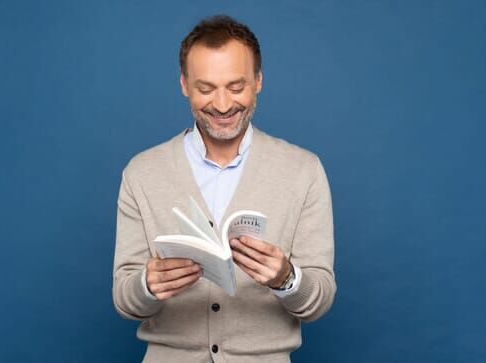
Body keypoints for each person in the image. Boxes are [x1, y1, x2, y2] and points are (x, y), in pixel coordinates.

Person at [112, 14, 336, 363]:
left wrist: (286, 278)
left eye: (236, 87)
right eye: (205, 88)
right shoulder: (142, 173)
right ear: (184, 84)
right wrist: (147, 285)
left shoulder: (304, 171)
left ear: (258, 81)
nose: (221, 105)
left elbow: (319, 299)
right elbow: (125, 299)